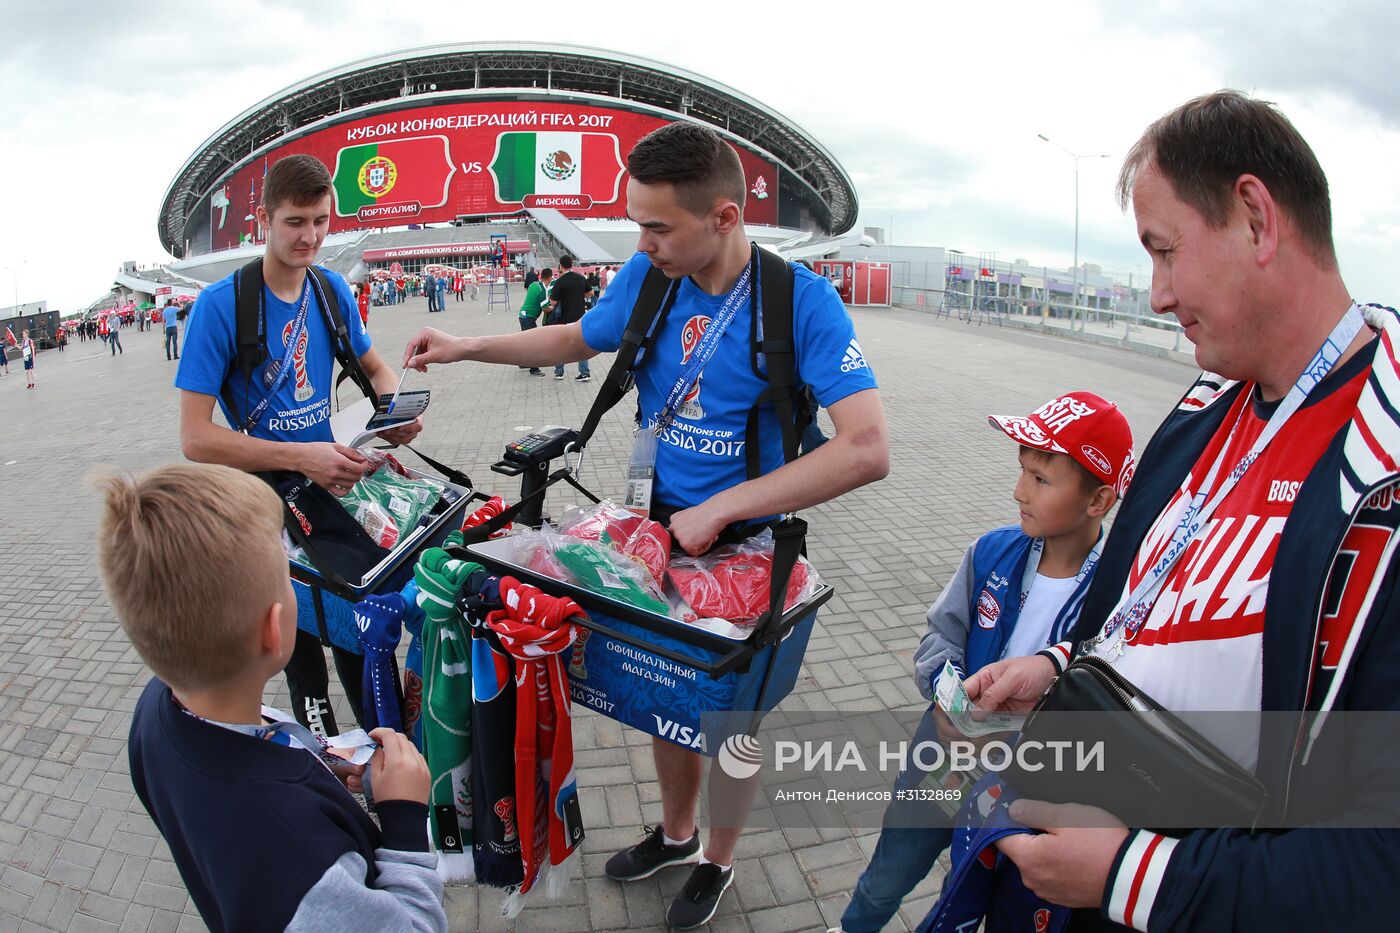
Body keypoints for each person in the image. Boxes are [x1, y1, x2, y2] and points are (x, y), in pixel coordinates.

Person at [402, 120, 889, 928]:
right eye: (638, 223)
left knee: (733, 718)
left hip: (745, 549)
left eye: (658, 225)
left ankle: (718, 861)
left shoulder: (801, 303)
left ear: (724, 218)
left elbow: (869, 448)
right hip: (654, 533)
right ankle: (674, 831)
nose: (641, 240)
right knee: (667, 694)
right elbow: (576, 336)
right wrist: (464, 346)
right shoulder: (650, 276)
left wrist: (727, 507)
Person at [962, 91, 1400, 932]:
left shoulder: (1383, 471)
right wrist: (1062, 665)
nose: (1157, 296)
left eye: (1164, 252)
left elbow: (1378, 859)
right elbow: (1150, 609)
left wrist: (1132, 874)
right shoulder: (1204, 409)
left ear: (1255, 218)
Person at [97, 464, 448, 932]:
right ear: (273, 627)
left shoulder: (158, 709)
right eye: (287, 571)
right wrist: (403, 822)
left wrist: (323, 769)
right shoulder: (302, 859)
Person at [839, 391, 1134, 933]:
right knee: (889, 871)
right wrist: (948, 700)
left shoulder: (1120, 594)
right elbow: (940, 637)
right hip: (943, 760)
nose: (1019, 491)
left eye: (1042, 480)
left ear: (1099, 501)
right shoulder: (990, 551)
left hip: (1028, 791)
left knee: (971, 889)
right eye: (1022, 471)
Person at [176, 153, 424, 736]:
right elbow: (194, 438)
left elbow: (375, 366)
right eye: (294, 221)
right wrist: (298, 455)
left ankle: (386, 766)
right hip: (267, 506)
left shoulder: (331, 290)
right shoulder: (221, 306)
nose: (310, 236)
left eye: (320, 220)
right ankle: (325, 769)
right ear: (264, 218)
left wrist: (394, 413)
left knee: (362, 643)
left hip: (338, 490)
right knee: (300, 654)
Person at [545, 255, 593, 381]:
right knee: (582, 344)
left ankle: (559, 372)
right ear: (571, 265)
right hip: (579, 317)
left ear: (560, 265)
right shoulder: (580, 278)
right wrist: (578, 295)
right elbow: (590, 293)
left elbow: (553, 302)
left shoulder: (560, 281)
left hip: (563, 319)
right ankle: (584, 372)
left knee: (560, 345)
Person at [517, 266, 552, 376]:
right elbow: (545, 308)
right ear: (550, 278)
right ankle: (534, 368)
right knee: (533, 343)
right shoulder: (542, 290)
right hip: (529, 317)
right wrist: (553, 307)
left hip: (522, 315)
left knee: (525, 341)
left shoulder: (533, 285)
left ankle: (523, 363)